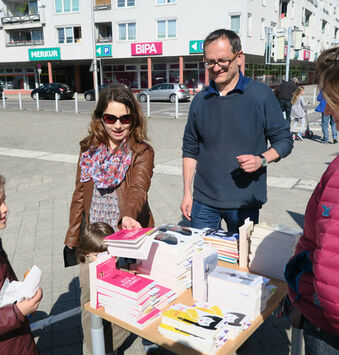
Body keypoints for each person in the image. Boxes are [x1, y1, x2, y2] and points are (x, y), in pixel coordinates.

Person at [64, 83, 154, 354]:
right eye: (110, 118)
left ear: (133, 119)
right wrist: (71, 239)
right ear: (100, 118)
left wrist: (128, 216)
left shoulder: (141, 151)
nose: (117, 125)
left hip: (124, 238)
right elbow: (80, 194)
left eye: (125, 118)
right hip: (92, 240)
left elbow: (138, 187)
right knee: (89, 302)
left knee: (124, 300)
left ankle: (110, 340)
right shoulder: (88, 149)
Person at [181, 29, 293, 233]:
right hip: (203, 201)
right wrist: (187, 193)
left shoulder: (261, 95)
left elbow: (284, 140)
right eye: (210, 62)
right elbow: (190, 150)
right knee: (200, 259)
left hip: (244, 202)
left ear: (239, 57)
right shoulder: (199, 100)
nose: (216, 68)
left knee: (241, 262)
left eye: (222, 60)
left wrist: (262, 159)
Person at [285, 46, 339, 355]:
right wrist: (301, 300)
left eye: (331, 101)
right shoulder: (334, 168)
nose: (327, 111)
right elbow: (313, 240)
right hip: (321, 321)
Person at [0, 164, 42, 355]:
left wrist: (20, 290)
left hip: (17, 342)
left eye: (4, 201)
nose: (6, 208)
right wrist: (18, 311)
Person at [76, 222, 131, 354]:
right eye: (97, 255)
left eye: (108, 253)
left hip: (106, 325)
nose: (104, 259)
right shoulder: (88, 272)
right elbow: (108, 284)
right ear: (86, 252)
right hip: (97, 330)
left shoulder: (96, 260)